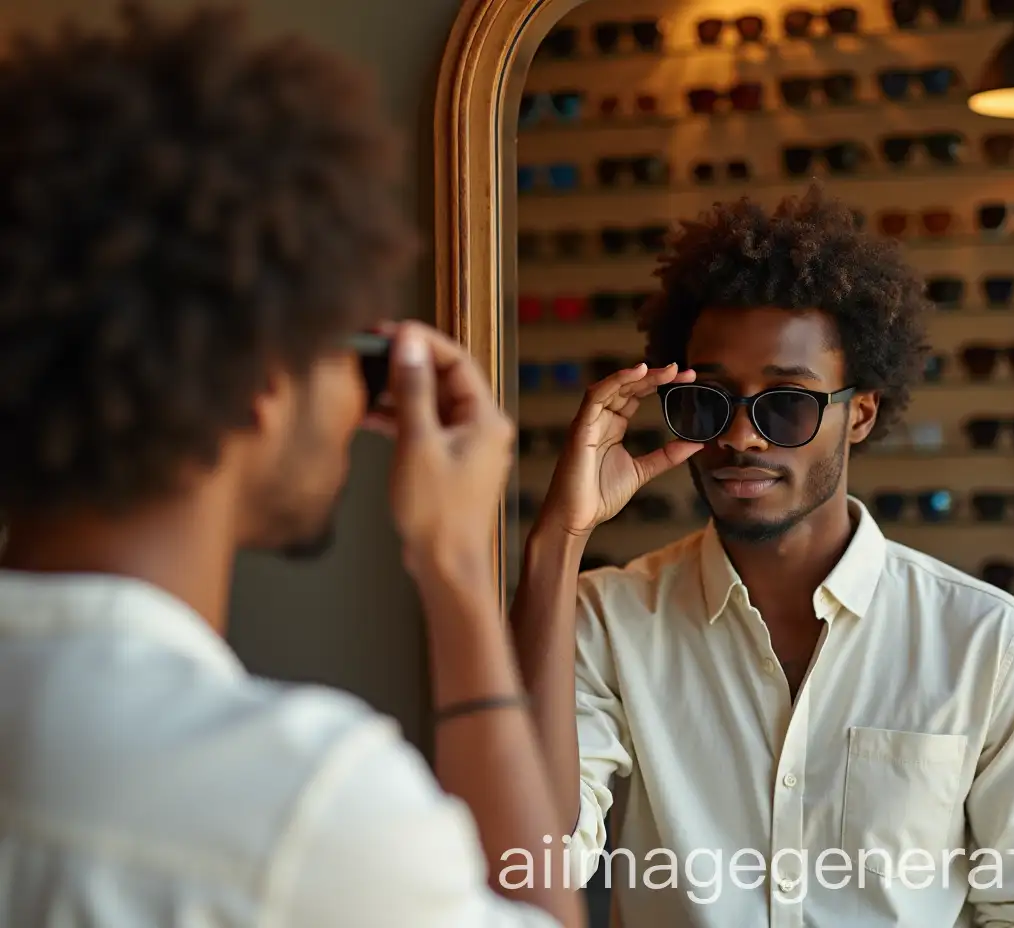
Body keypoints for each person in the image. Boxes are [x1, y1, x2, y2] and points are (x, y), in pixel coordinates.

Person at [0, 5, 581, 928]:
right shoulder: (302, 808)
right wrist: (462, 574)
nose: (358, 398)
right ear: (264, 386)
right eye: (345, 352)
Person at [511, 188, 1014, 927]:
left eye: (786, 403)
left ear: (860, 414)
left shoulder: (987, 642)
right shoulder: (608, 619)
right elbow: (531, 862)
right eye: (711, 402)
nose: (742, 438)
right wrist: (558, 538)